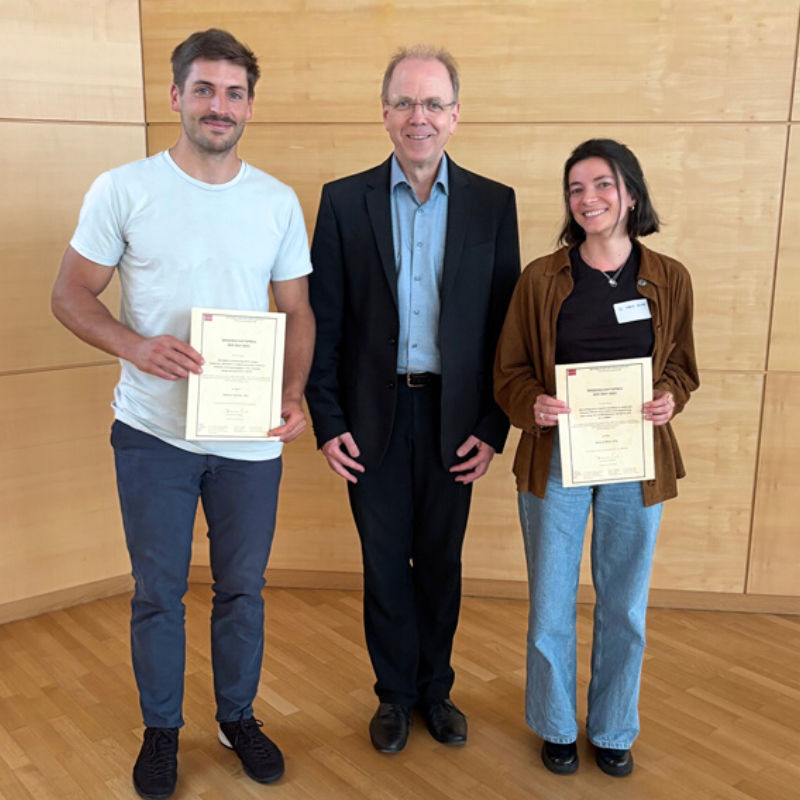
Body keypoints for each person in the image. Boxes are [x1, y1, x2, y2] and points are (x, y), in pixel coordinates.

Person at [51, 29, 314, 800]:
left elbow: (296, 309)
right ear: (175, 96)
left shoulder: (275, 200)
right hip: (151, 433)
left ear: (249, 106)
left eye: (233, 92)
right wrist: (133, 344)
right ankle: (161, 731)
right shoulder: (123, 188)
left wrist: (292, 394)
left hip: (247, 440)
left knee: (242, 587)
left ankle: (237, 717)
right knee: (157, 591)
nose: (218, 105)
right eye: (203, 89)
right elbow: (70, 294)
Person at [305, 45, 520, 753]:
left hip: (455, 420)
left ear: (454, 116)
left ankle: (437, 690)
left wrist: (493, 425)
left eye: (432, 104)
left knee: (442, 561)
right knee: (382, 561)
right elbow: (324, 320)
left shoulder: (495, 204)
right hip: (372, 420)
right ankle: (394, 696)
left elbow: (504, 329)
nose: (417, 117)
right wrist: (327, 419)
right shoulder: (343, 200)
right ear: (385, 113)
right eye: (403, 102)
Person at [494, 139, 698, 778]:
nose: (589, 199)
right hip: (556, 461)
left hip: (636, 462)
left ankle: (613, 728)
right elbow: (507, 373)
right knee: (551, 601)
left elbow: (683, 370)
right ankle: (555, 725)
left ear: (630, 194)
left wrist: (669, 398)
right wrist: (536, 405)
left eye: (603, 185)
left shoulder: (669, 277)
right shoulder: (540, 278)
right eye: (577, 189)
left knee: (624, 606)